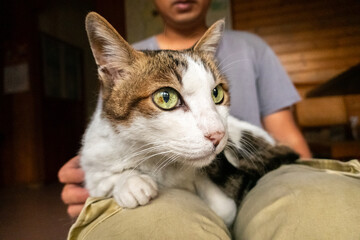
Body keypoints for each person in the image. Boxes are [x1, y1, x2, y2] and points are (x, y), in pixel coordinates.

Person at [62, 1, 360, 239]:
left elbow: (287, 135)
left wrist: (303, 173)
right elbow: (108, 139)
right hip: (169, 188)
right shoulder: (129, 63)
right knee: (153, 229)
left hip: (253, 167)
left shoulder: (252, 48)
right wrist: (98, 183)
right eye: (167, 98)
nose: (216, 130)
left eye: (216, 94)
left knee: (327, 209)